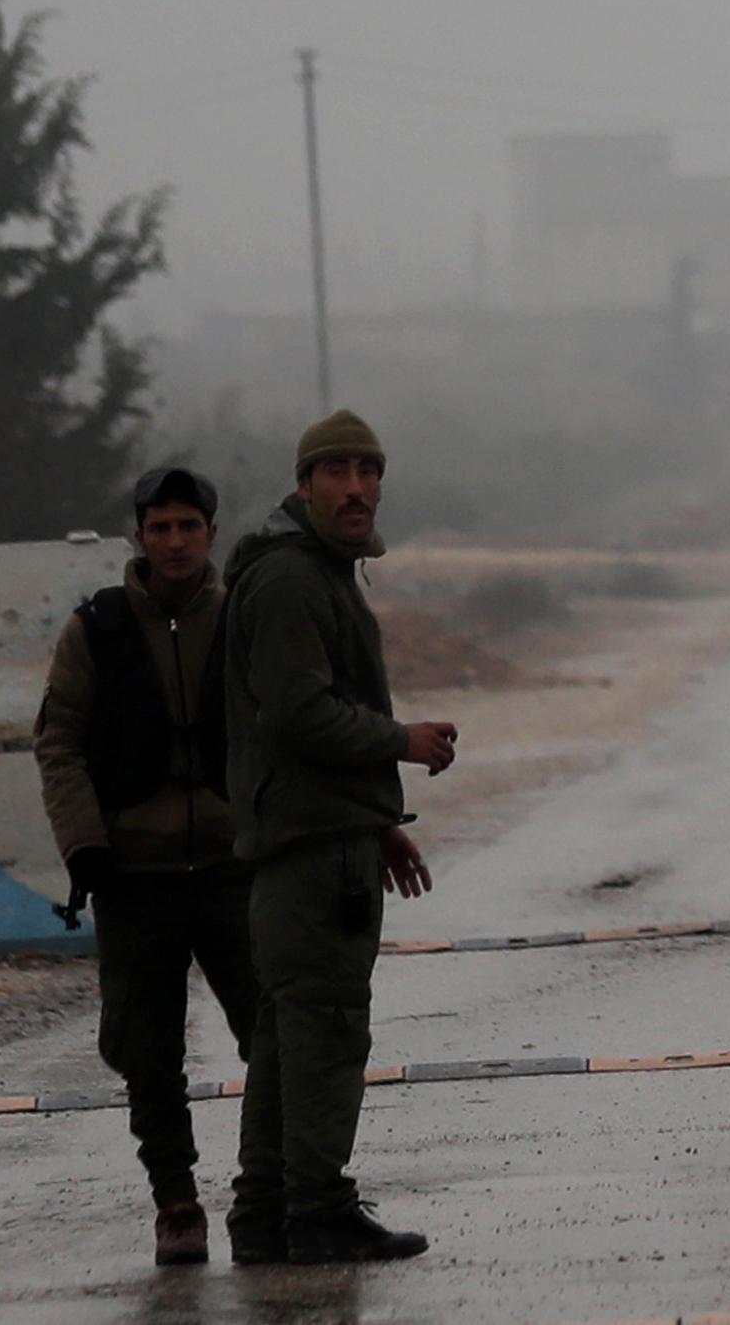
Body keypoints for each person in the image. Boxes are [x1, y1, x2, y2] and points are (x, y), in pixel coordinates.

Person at [223, 409, 458, 1265]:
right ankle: (316, 1207)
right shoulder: (292, 580)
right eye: (338, 472)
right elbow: (298, 713)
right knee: (324, 1028)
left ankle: (265, 1213)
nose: (357, 488)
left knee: (289, 1035)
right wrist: (402, 741)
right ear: (304, 483)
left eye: (369, 471)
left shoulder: (318, 572)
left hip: (322, 837)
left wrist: (377, 822)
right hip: (310, 853)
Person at [33, 465, 260, 1268]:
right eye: (159, 527)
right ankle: (176, 1201)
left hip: (235, 865)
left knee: (273, 1032)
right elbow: (59, 738)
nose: (173, 542)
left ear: (210, 533)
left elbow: (288, 724)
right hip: (134, 874)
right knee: (147, 1049)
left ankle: (268, 1189)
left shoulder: (242, 619)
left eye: (187, 527)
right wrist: (84, 841)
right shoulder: (97, 628)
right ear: (138, 535)